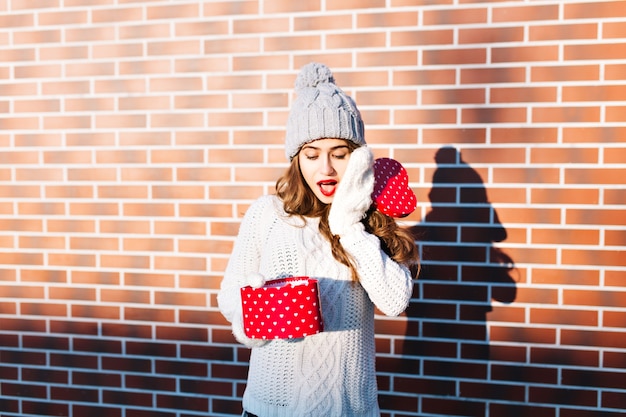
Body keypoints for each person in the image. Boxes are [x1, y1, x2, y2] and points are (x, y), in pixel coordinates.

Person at [217, 62, 419, 417]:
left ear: (357, 160)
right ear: (297, 160)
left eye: (339, 154)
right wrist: (256, 315)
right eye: (312, 155)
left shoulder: (370, 221)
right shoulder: (267, 214)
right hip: (271, 408)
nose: (325, 168)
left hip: (348, 410)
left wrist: (348, 225)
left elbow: (394, 299)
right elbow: (230, 295)